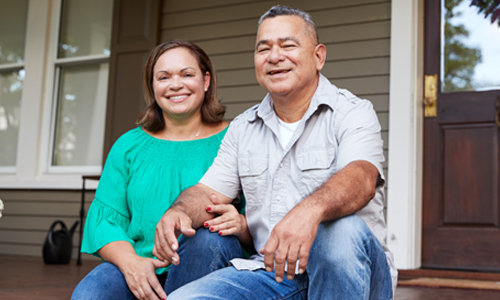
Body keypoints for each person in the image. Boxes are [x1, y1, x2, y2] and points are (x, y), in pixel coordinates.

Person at [154, 5, 398, 300]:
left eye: (288, 45)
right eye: (263, 49)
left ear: (318, 56)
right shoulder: (244, 127)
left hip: (352, 275)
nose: (274, 56)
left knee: (338, 232)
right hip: (272, 275)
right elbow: (208, 192)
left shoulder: (353, 112)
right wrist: (178, 211)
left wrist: (310, 211)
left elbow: (362, 178)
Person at [72, 40, 250, 300]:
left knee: (210, 241)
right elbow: (106, 223)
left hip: (210, 267)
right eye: (163, 77)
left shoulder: (236, 139)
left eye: (187, 74)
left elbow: (260, 222)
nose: (175, 84)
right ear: (152, 86)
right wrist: (132, 264)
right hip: (142, 262)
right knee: (90, 294)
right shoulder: (128, 146)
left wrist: (242, 224)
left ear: (206, 80)